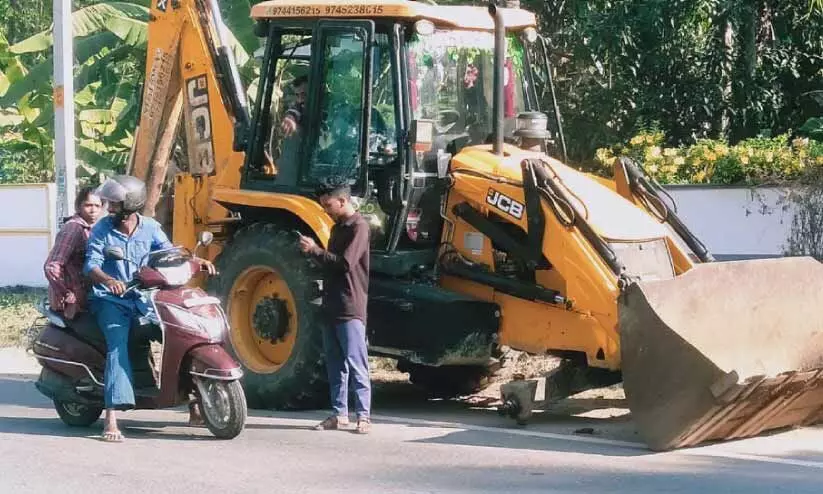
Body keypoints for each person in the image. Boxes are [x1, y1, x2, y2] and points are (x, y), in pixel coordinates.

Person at [83, 175, 215, 442]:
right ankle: (111, 417)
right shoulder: (102, 229)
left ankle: (194, 402)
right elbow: (91, 264)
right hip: (110, 301)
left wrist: (195, 260)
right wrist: (109, 281)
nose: (109, 207)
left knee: (179, 335)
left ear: (130, 204)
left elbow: (169, 252)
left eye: (114, 203)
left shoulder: (151, 227)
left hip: (145, 299)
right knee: (117, 345)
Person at [297, 178, 372, 434]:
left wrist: (314, 250)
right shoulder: (337, 228)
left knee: (356, 362)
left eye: (328, 205)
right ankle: (339, 414)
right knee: (335, 364)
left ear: (342, 200)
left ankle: (363, 416)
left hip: (350, 305)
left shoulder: (359, 227)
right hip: (331, 304)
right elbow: (332, 265)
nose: (326, 210)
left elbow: (345, 264)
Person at [44, 186, 104, 319]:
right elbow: (52, 266)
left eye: (97, 206)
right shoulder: (73, 228)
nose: (93, 210)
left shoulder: (91, 229)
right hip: (70, 302)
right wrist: (66, 294)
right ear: (78, 206)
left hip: (84, 295)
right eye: (88, 205)